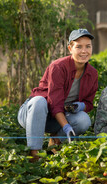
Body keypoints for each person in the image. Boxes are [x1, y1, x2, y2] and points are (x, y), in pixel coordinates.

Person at [18, 28, 98, 162]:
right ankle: (34, 154)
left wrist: (81, 106)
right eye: (79, 47)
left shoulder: (92, 73)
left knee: (84, 120)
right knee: (39, 101)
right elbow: (54, 104)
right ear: (70, 48)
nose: (84, 51)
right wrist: (66, 126)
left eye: (88, 46)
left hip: (55, 120)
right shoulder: (58, 67)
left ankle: (55, 142)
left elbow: (89, 103)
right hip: (32, 114)